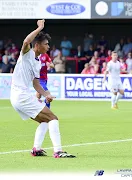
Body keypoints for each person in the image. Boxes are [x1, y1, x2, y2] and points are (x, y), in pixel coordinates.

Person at [10, 20, 75, 158]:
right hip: (21, 95)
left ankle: (36, 149)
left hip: (18, 96)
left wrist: (46, 94)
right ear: (38, 45)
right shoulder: (27, 53)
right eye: (46, 44)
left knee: (44, 120)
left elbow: (36, 84)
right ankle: (58, 151)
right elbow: (26, 41)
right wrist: (40, 27)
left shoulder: (38, 62)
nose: (48, 46)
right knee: (53, 118)